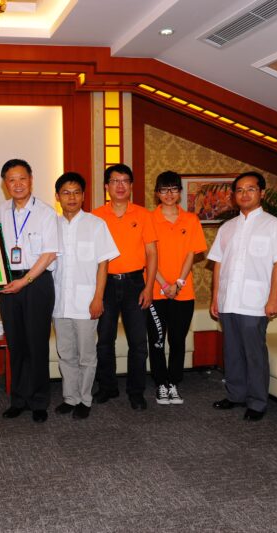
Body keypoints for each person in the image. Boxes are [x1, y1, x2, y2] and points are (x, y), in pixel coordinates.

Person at [208, 171, 277, 421]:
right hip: (228, 300)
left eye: (251, 189)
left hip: (255, 302)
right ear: (234, 196)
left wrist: (274, 298)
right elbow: (218, 264)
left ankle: (257, 402)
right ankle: (236, 395)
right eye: (239, 190)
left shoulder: (275, 226)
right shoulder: (227, 227)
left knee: (254, 353)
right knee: (232, 351)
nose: (244, 194)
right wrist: (215, 297)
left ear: (262, 193)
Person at [0, 159, 60, 423]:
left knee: (36, 343)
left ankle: (39, 401)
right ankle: (18, 399)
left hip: (37, 282)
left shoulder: (45, 213)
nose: (17, 184)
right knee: (16, 343)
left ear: (31, 179)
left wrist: (25, 281)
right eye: (11, 179)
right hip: (9, 282)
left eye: (22, 178)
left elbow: (49, 254)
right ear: (5, 184)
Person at [51, 172, 118, 419]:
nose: (72, 197)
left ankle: (85, 399)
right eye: (66, 193)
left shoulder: (96, 224)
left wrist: (98, 297)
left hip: (86, 302)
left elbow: (104, 264)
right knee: (66, 353)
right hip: (59, 303)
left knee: (86, 356)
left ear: (83, 196)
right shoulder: (52, 226)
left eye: (76, 192)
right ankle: (70, 397)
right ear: (57, 196)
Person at [93, 163, 157, 410]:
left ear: (131, 185)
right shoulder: (96, 216)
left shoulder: (143, 215)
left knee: (138, 343)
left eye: (125, 181)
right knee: (104, 340)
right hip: (105, 283)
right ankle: (107, 387)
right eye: (115, 181)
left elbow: (152, 254)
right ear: (106, 186)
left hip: (135, 284)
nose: (120, 186)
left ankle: (136, 392)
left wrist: (149, 287)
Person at [146, 171, 207, 405]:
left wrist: (178, 283)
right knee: (157, 340)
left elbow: (191, 253)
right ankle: (161, 384)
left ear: (180, 192)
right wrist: (163, 284)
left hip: (183, 292)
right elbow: (147, 256)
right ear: (157, 193)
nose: (169, 194)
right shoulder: (149, 219)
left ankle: (173, 383)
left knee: (178, 340)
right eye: (164, 189)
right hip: (155, 291)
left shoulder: (191, 220)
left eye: (173, 189)